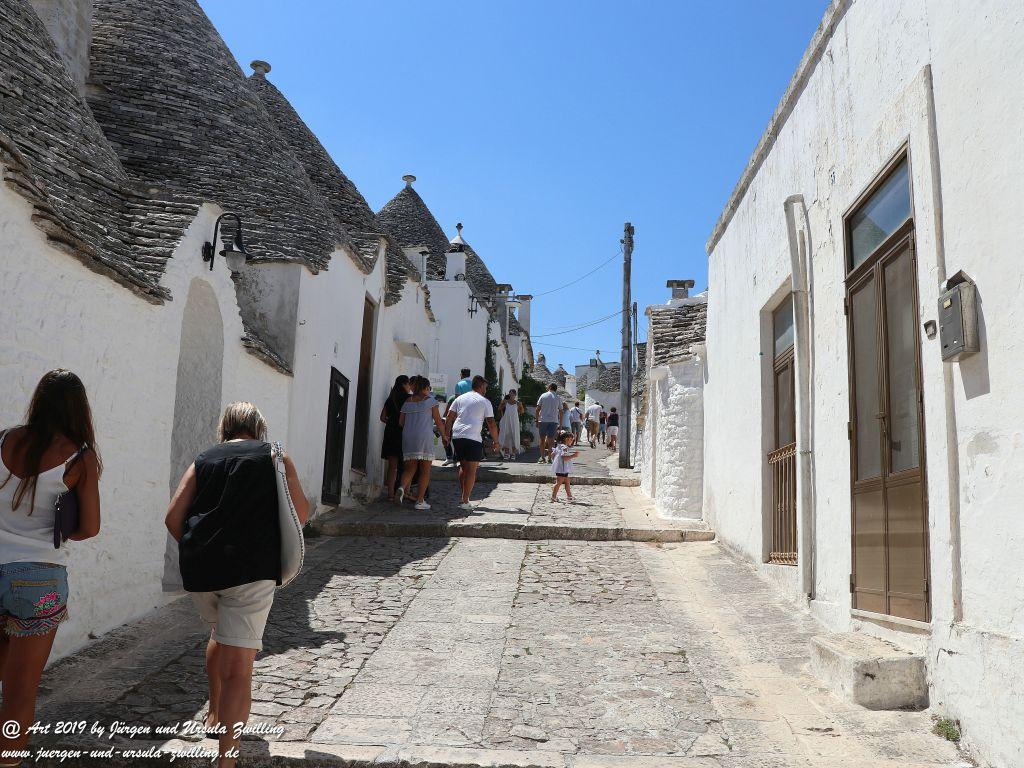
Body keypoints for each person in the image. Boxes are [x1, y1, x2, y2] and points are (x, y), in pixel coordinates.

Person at [166, 402, 309, 768]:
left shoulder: (204, 459)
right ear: (258, 428)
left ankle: (215, 714)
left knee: (220, 634)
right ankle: (226, 762)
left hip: (203, 573)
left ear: (225, 428)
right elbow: (301, 512)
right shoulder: (275, 457)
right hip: (251, 571)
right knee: (239, 668)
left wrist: (199, 548)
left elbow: (173, 517)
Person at [0, 370, 101, 760]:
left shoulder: (5, 439)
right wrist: (58, 527)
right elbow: (90, 528)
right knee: (20, 692)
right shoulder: (79, 456)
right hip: (38, 577)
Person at [444, 375, 500, 510]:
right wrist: (496, 441)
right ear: (480, 386)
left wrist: (446, 435)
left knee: (463, 466)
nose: (486, 390)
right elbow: (491, 423)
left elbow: (449, 417)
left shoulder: (460, 398)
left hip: (457, 435)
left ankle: (463, 496)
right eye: (485, 387)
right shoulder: (484, 401)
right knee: (472, 470)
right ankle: (465, 500)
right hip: (473, 436)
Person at [397, 376, 448, 510]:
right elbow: (438, 421)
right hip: (424, 437)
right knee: (425, 470)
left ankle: (402, 487)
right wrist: (444, 436)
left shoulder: (407, 402)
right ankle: (420, 501)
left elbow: (401, 423)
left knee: (410, 468)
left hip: (408, 437)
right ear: (425, 388)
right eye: (428, 388)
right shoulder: (431, 402)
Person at [379, 375, 411, 502]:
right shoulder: (409, 399)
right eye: (408, 384)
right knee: (408, 466)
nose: (409, 387)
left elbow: (382, 417)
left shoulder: (390, 398)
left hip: (391, 432)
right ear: (404, 384)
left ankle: (390, 495)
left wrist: (391, 422)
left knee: (392, 466)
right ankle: (405, 492)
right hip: (404, 433)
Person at [534, 383, 561, 463]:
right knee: (551, 440)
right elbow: (561, 411)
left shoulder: (543, 395)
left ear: (549, 387)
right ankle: (550, 458)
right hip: (553, 421)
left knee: (542, 440)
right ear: (556, 389)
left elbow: (537, 409)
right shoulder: (558, 397)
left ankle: (542, 457)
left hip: (543, 420)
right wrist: (561, 424)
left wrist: (536, 420)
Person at [550, 432, 580, 503]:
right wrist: (574, 456)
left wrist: (556, 462)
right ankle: (553, 496)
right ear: (567, 439)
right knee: (559, 482)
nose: (572, 441)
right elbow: (564, 458)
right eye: (571, 439)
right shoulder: (565, 448)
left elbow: (552, 454)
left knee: (567, 481)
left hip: (561, 468)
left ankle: (569, 496)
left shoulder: (559, 446)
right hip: (562, 469)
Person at [498, 389, 524, 461]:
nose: (511, 396)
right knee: (506, 437)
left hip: (514, 422)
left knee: (514, 437)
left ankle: (513, 454)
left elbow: (522, 412)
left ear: (515, 395)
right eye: (510, 394)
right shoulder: (506, 402)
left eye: (512, 394)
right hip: (506, 422)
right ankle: (506, 453)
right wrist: (502, 402)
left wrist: (521, 406)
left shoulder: (517, 403)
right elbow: (499, 408)